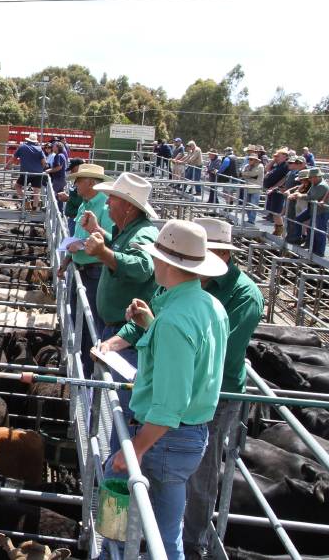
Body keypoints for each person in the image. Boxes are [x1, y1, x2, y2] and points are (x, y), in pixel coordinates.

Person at [97, 219, 229, 560]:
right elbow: (191, 361)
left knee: (128, 509)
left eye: (156, 256)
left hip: (164, 438)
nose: (153, 262)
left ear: (168, 263)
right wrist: (149, 325)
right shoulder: (209, 306)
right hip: (190, 434)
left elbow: (170, 403)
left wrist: (135, 449)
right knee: (167, 532)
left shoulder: (174, 320)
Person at [182, 218, 263, 559]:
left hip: (216, 392)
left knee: (202, 466)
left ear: (221, 254)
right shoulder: (197, 279)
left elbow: (220, 352)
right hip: (185, 383)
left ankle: (193, 542)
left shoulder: (245, 295)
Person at [79, 172, 159, 417]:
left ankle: (122, 451)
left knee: (122, 407)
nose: (106, 203)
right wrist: (99, 232)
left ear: (127, 206)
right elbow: (124, 250)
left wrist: (103, 253)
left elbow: (143, 267)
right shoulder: (130, 231)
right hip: (118, 328)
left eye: (112, 198)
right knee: (115, 402)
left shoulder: (143, 234)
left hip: (126, 335)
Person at [55, 163, 112, 371]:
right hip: (80, 269)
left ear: (91, 182)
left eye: (78, 181)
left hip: (95, 271)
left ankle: (86, 370)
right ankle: (76, 359)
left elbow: (110, 242)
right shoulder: (83, 204)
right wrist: (66, 261)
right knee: (77, 317)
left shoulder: (106, 207)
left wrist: (83, 243)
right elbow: (79, 236)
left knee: (91, 323)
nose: (75, 185)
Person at [289, 168, 328, 256]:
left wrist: (299, 195)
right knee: (302, 222)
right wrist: (298, 194)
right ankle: (302, 241)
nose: (309, 179)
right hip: (313, 209)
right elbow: (309, 195)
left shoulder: (322, 185)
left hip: (322, 211)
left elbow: (312, 197)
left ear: (317, 177)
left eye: (311, 178)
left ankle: (319, 252)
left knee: (320, 231)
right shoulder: (315, 184)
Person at [10, 132, 47, 210]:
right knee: (36, 192)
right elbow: (44, 162)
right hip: (37, 173)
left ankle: (26, 199)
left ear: (28, 140)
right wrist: (41, 169)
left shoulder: (22, 147)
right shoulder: (39, 149)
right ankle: (34, 210)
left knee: (17, 186)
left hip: (25, 173)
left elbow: (13, 159)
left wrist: (6, 167)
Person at [262, 148, 291, 235]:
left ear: (285, 156)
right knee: (272, 210)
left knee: (276, 211)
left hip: (278, 191)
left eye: (278, 155)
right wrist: (273, 160)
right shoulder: (277, 165)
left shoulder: (285, 165)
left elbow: (284, 178)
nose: (276, 157)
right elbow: (267, 168)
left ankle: (280, 229)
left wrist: (274, 187)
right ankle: (277, 228)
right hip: (271, 191)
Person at [237, 149, 264, 224]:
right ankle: (249, 219)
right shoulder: (247, 166)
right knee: (247, 205)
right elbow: (241, 172)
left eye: (251, 159)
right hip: (247, 188)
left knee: (253, 205)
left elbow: (253, 174)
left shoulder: (260, 166)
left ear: (256, 160)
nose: (249, 160)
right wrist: (245, 173)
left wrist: (245, 173)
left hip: (255, 189)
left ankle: (251, 220)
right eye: (249, 159)